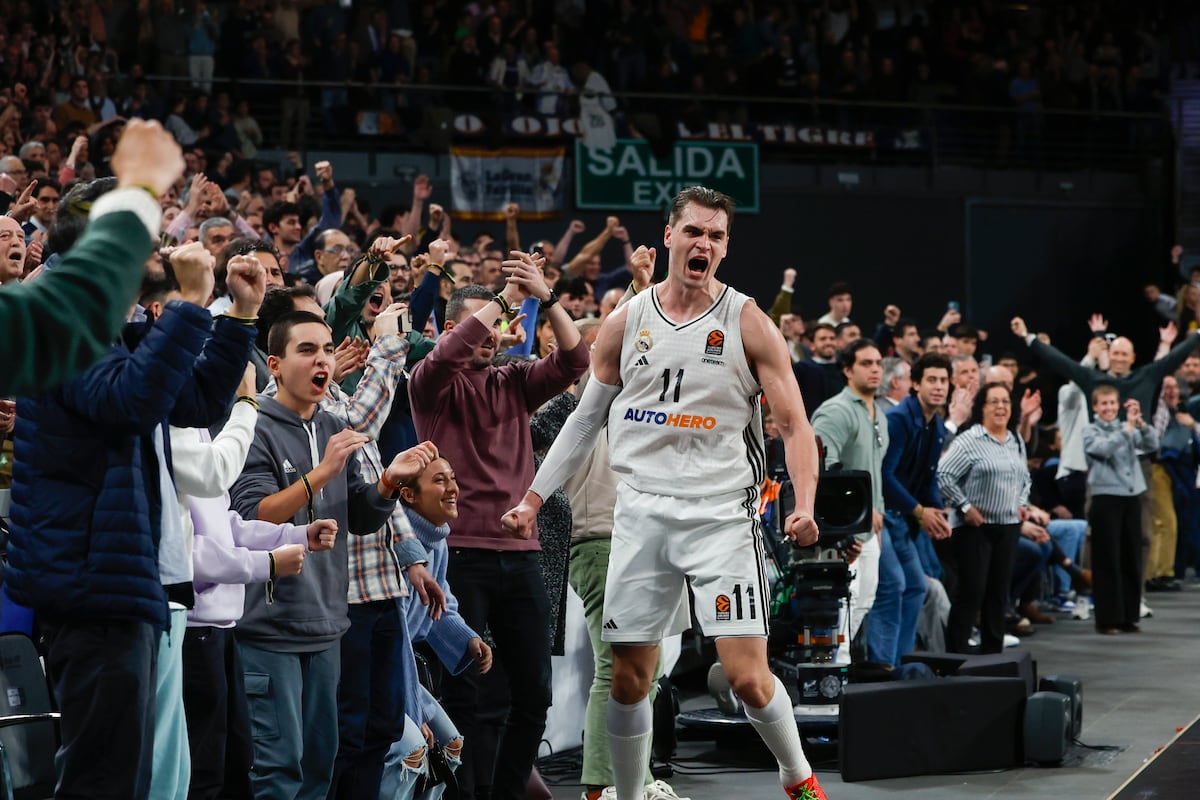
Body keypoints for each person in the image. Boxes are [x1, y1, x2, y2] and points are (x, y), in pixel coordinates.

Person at [503, 187, 826, 800]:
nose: (704, 243)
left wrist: (805, 505)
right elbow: (584, 419)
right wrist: (534, 498)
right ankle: (626, 796)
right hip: (641, 513)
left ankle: (798, 779)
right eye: (694, 232)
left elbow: (795, 427)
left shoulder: (748, 322)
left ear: (725, 248)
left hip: (720, 518)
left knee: (748, 679)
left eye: (717, 235)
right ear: (670, 236)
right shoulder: (628, 320)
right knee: (628, 678)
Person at [407, 252, 588, 800]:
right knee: (469, 691)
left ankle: (505, 794)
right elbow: (445, 356)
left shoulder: (515, 382)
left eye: (501, 322)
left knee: (534, 693)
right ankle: (468, 794)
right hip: (459, 552)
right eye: (481, 321)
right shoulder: (430, 385)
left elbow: (576, 360)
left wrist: (546, 297)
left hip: (521, 551)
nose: (493, 332)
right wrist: (505, 300)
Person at [0, 120, 188, 398]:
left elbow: (190, 403)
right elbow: (132, 402)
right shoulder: (64, 300)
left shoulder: (130, 317)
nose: (154, 241)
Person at [937, 382, 1034, 654]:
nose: (1001, 407)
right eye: (994, 402)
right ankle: (956, 655)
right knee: (971, 593)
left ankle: (993, 656)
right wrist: (965, 507)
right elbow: (944, 475)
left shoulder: (1015, 439)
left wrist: (1021, 502)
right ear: (983, 408)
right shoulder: (970, 439)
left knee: (998, 594)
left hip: (1008, 526)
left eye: (1005, 401)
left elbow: (1024, 478)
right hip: (975, 529)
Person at [873, 353, 954, 666]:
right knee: (894, 585)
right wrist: (921, 511)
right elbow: (886, 476)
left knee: (917, 586)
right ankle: (883, 666)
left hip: (904, 517)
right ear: (916, 384)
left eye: (943, 381)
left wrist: (937, 511)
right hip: (885, 515)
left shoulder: (935, 426)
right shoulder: (900, 419)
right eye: (931, 380)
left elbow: (928, 477)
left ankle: (901, 663)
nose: (938, 387)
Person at [810, 339, 887, 659]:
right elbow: (821, 471)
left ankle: (836, 663)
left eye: (879, 363)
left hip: (871, 527)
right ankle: (831, 668)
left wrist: (877, 511)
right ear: (846, 370)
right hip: (842, 530)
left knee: (864, 599)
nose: (875, 369)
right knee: (843, 601)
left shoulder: (879, 413)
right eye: (866, 363)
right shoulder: (835, 411)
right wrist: (852, 517)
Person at [1083, 386, 1158, 634]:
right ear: (1095, 407)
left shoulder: (1127, 427)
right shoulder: (1090, 431)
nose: (1109, 408)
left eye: (1112, 403)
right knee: (1107, 559)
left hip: (1131, 496)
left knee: (1130, 557)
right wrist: (1126, 430)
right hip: (1106, 498)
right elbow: (1101, 450)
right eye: (1103, 404)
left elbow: (1151, 443)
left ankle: (1129, 615)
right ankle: (1107, 619)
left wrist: (1141, 423)